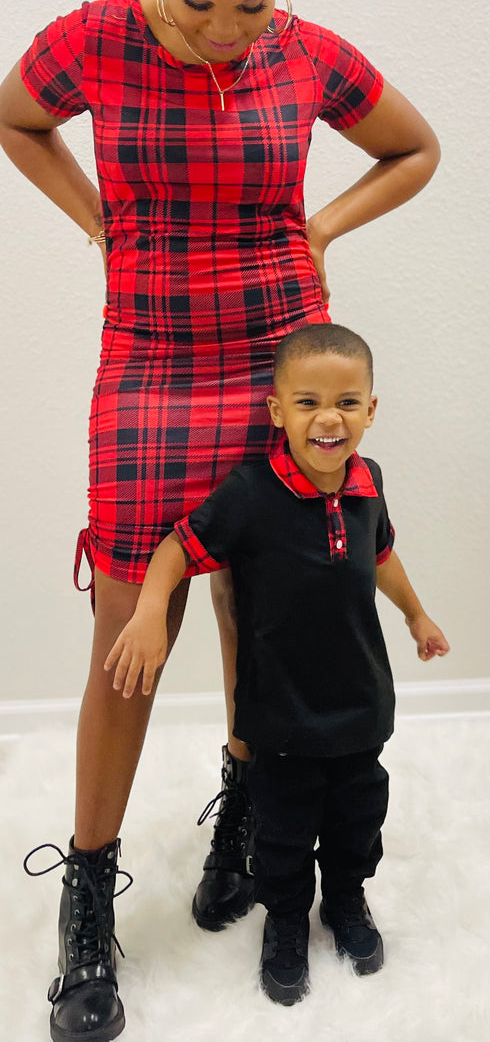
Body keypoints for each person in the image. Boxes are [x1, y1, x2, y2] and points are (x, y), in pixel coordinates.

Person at [0, 0, 441, 1039]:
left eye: (251, 9)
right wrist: (97, 220)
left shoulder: (305, 56)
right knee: (131, 633)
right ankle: (88, 900)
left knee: (275, 595)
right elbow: (17, 120)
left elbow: (414, 147)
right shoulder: (91, 38)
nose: (224, 31)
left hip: (268, 354)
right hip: (146, 359)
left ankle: (252, 801)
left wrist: (321, 226)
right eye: (198, 0)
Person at [106, 322, 450, 1006]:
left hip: (360, 707)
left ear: (372, 409)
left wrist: (415, 612)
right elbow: (178, 546)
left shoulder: (368, 481)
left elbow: (380, 553)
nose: (329, 417)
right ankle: (287, 917)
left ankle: (345, 901)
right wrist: (149, 610)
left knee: (357, 820)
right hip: (280, 715)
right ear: (277, 410)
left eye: (348, 402)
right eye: (308, 401)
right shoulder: (250, 492)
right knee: (285, 832)